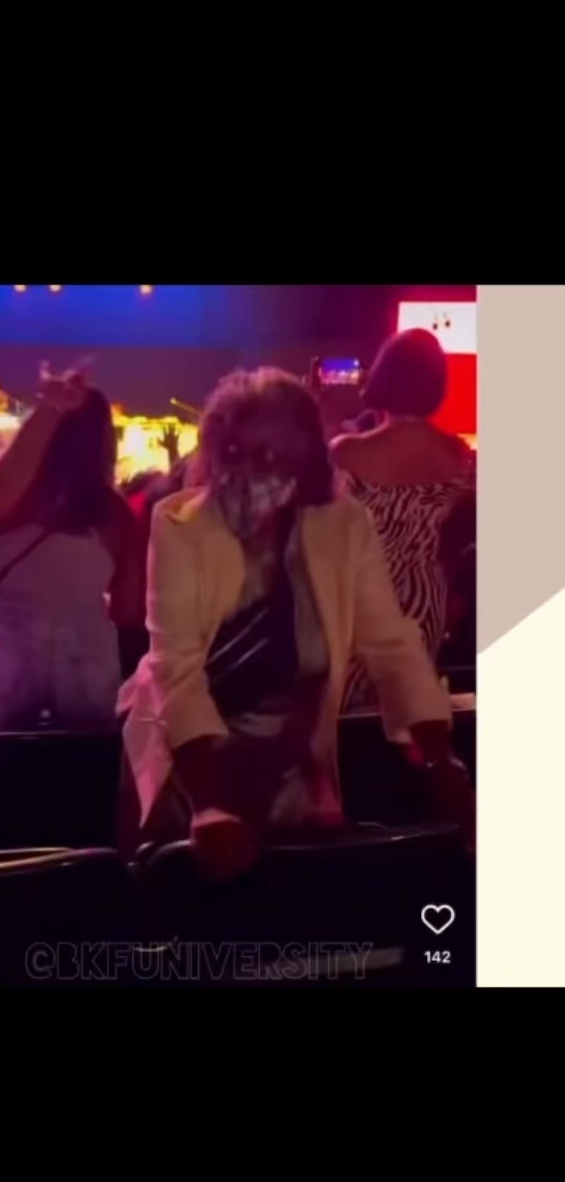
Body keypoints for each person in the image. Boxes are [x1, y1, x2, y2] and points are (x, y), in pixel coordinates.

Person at [118, 367, 473, 880]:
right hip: (189, 761)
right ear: (219, 453)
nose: (258, 468)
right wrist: (208, 805)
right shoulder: (179, 526)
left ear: (306, 458)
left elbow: (392, 645)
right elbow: (176, 667)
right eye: (242, 452)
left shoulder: (343, 525)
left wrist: (442, 762)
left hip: (293, 764)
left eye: (276, 454)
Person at [0, 373, 144, 731]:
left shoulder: (9, 501)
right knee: (81, 758)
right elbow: (128, 611)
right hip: (85, 660)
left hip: (3, 652)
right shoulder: (115, 515)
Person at [330, 329, 473, 709]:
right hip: (426, 602)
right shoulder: (459, 455)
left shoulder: (347, 452)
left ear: (384, 375)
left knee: (348, 717)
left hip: (361, 599)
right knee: (407, 716)